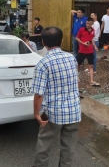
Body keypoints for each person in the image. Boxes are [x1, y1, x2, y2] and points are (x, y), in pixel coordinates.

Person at [32, 26, 81, 167]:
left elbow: (39, 94)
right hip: (74, 112)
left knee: (44, 147)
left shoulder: (43, 63)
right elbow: (75, 82)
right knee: (68, 149)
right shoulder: (71, 58)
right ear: (62, 40)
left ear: (43, 42)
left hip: (53, 114)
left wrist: (37, 114)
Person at [76, 18, 100, 86]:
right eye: (87, 23)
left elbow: (91, 38)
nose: (87, 25)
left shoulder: (93, 30)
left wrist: (95, 46)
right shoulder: (81, 30)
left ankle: (91, 81)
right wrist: (83, 43)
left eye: (89, 23)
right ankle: (76, 77)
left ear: (92, 23)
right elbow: (77, 38)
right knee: (78, 65)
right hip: (82, 51)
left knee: (91, 66)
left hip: (90, 51)